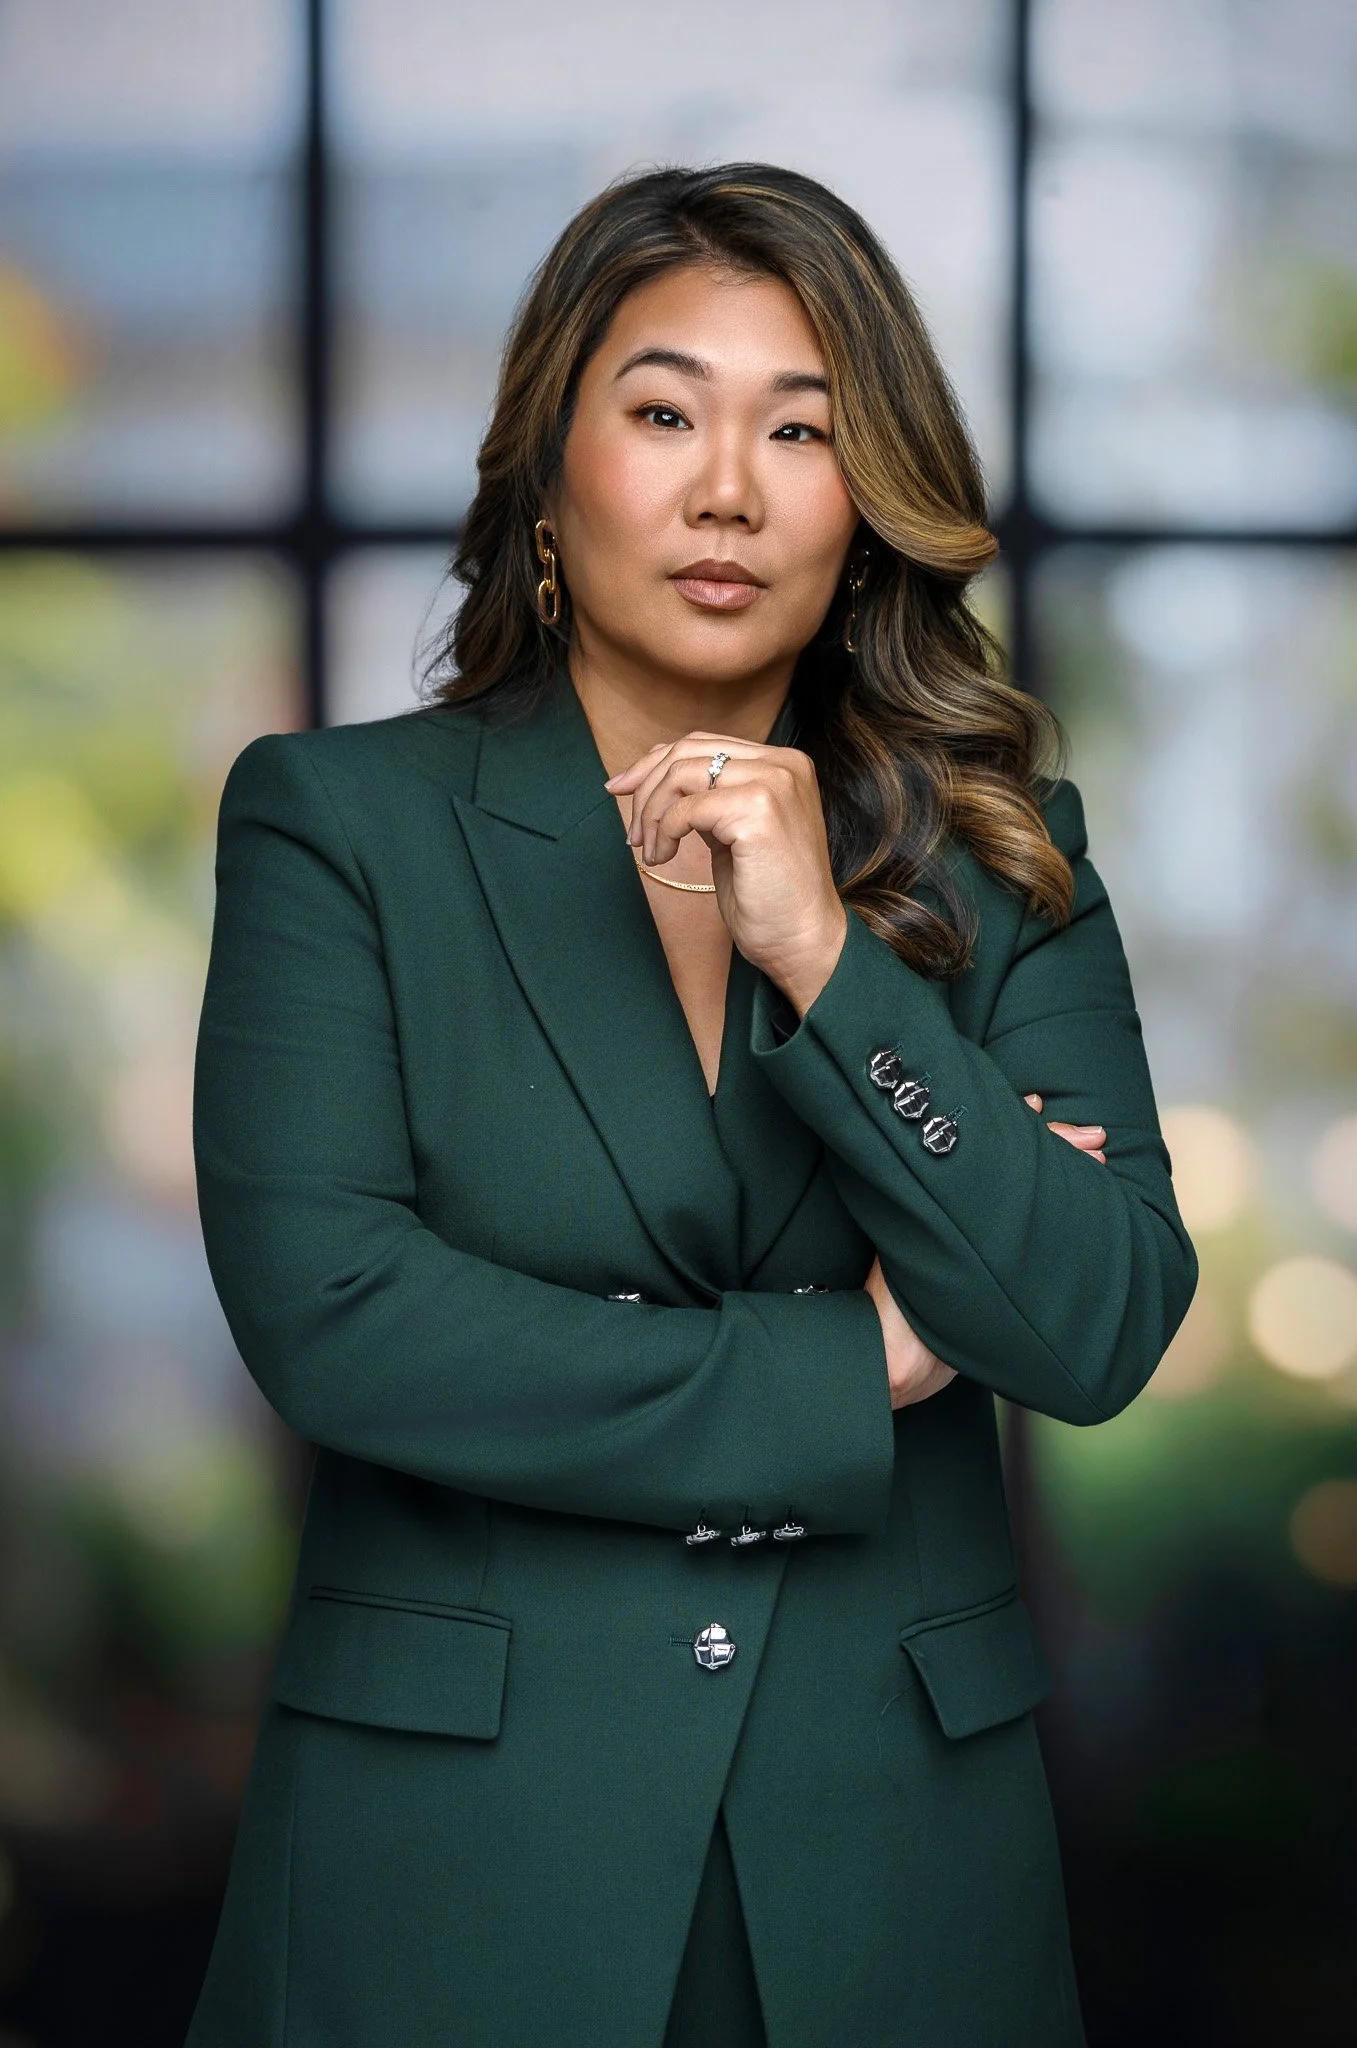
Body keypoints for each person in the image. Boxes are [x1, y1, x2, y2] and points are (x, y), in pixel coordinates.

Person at [185, 163, 1197, 2048]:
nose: (728, 487)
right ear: (551, 475)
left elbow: (1098, 1316)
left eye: (800, 431)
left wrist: (831, 958)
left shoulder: (1002, 858)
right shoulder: (342, 826)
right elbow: (338, 1318)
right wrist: (859, 1372)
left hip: (895, 1870)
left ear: (865, 502)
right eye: (663, 413)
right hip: (460, 1862)